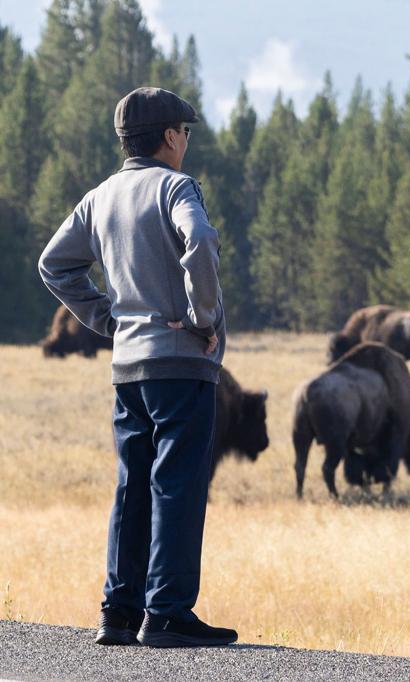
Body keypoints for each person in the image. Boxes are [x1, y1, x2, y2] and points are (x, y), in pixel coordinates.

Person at [38, 87, 236, 648]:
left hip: (128, 368)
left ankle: (118, 614)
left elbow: (54, 265)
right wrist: (203, 318)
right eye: (186, 133)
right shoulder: (177, 187)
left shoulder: (100, 196)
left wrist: (107, 319)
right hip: (180, 364)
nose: (187, 143)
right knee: (177, 485)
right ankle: (168, 613)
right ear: (172, 136)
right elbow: (198, 240)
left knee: (132, 487)